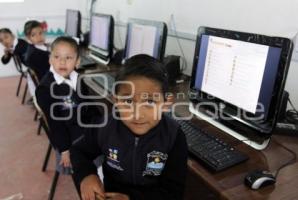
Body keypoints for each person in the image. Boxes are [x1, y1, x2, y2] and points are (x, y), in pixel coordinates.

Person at [71, 54, 188, 200]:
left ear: (166, 103)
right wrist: (86, 176)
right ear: (116, 100)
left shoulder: (174, 137)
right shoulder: (104, 127)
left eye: (150, 102)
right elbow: (78, 151)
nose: (137, 114)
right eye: (128, 101)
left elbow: (173, 193)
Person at [35, 36, 100, 177]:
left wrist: (103, 124)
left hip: (85, 129)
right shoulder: (46, 89)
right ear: (50, 59)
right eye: (57, 57)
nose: (62, 62)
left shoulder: (77, 78)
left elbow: (89, 105)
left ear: (77, 62)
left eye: (68, 58)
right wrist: (65, 150)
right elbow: (55, 124)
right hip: (71, 141)